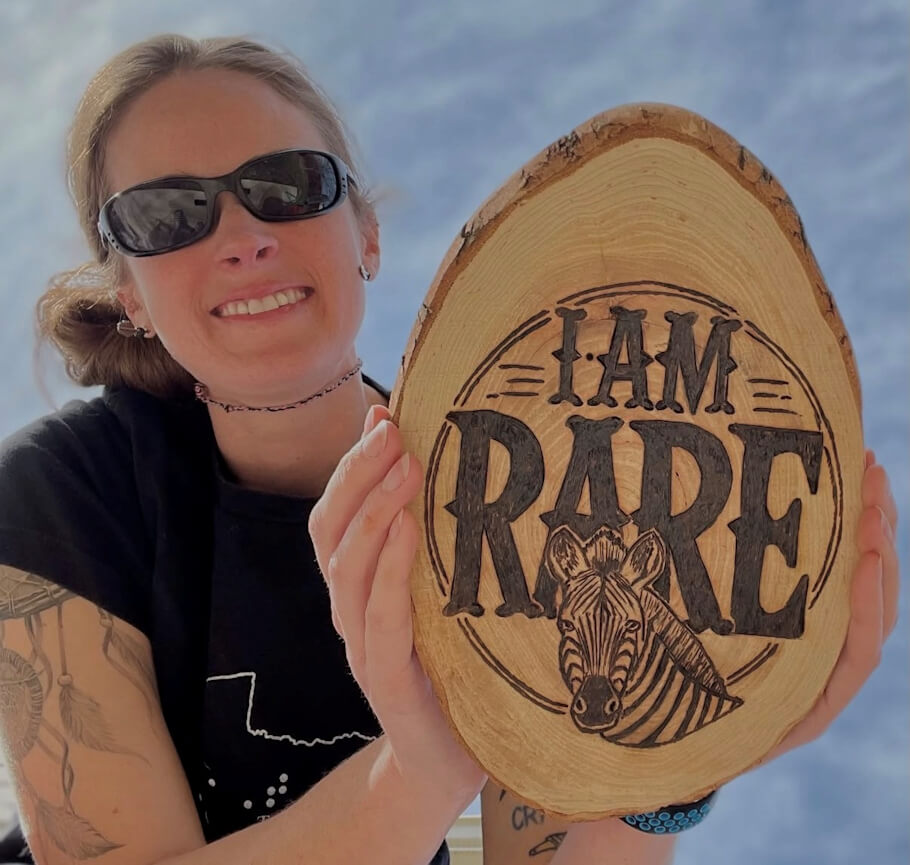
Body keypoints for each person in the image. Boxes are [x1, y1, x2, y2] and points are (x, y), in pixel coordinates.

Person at [0, 33, 898, 865]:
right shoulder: (64, 493)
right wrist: (424, 766)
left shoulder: (524, 486)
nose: (242, 236)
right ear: (129, 297)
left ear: (369, 237)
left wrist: (664, 773)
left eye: (288, 184)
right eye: (166, 214)